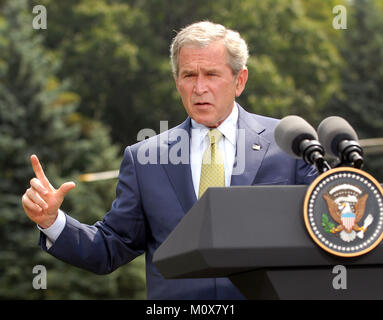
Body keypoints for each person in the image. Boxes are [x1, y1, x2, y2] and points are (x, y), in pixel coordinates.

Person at [22, 21, 317, 299]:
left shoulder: (289, 144)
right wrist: (53, 222)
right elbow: (111, 247)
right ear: (177, 81)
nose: (199, 88)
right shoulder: (144, 159)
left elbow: (323, 230)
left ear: (239, 80)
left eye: (211, 74)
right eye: (189, 75)